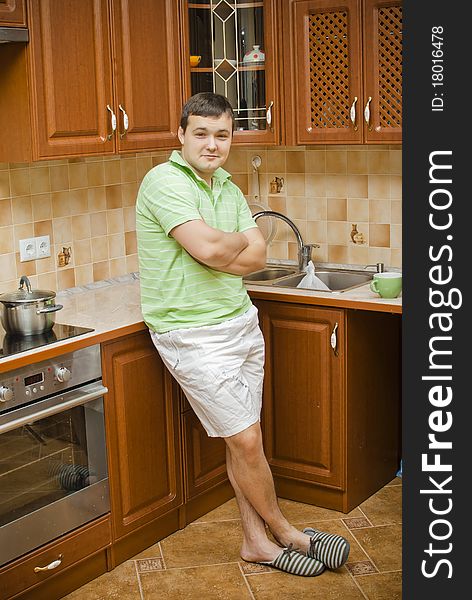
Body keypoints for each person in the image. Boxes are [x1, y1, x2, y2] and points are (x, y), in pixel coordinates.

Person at [136, 92, 350, 577]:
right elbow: (216, 250)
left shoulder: (227, 187)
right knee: (249, 441)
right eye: (202, 134)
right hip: (190, 332)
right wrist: (225, 244)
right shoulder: (163, 182)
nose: (213, 145)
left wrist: (220, 245)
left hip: (238, 320)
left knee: (242, 442)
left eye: (223, 135)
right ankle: (287, 531)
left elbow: (254, 255)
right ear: (182, 135)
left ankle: (256, 542)